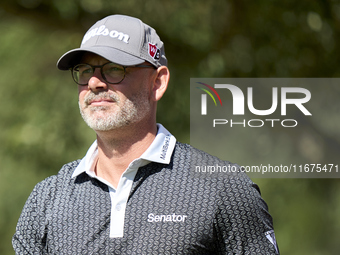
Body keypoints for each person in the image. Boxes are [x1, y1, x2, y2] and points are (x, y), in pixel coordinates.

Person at [12, 14, 279, 254]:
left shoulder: (223, 189)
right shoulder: (47, 198)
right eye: (84, 71)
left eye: (114, 68)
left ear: (158, 82)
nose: (94, 82)